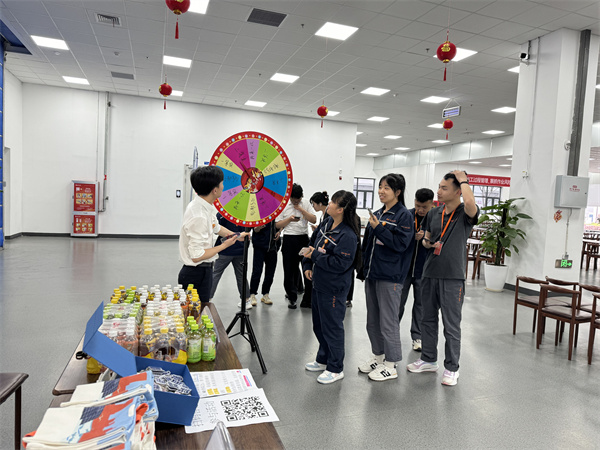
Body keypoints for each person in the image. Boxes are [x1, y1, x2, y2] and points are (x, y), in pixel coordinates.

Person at [407, 171, 479, 387]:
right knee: (427, 319)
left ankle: (452, 368)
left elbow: (470, 202)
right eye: (439, 186)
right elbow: (426, 238)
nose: (438, 191)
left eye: (444, 188)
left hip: (452, 277)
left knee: (451, 325)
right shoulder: (433, 213)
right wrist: (427, 243)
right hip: (429, 272)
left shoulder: (464, 213)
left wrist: (464, 180)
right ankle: (429, 359)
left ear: (457, 191)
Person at [358, 174, 414, 381]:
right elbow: (367, 246)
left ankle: (391, 364)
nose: (381, 191)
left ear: (397, 192)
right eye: (380, 187)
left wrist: (379, 229)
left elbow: (401, 245)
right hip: (373, 273)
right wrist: (362, 269)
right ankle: (379, 357)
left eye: (386, 188)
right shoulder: (378, 213)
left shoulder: (404, 216)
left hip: (391, 276)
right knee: (372, 321)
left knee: (388, 322)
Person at [302, 190, 360, 384]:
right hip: (319, 283)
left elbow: (340, 264)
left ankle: (335, 368)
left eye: (334, 202)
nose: (329, 204)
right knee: (319, 325)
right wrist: (307, 265)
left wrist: (315, 256)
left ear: (341, 209)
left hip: (334, 288)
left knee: (332, 328)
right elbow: (312, 244)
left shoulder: (348, 235)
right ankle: (323, 358)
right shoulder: (327, 223)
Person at [178, 166, 248, 303]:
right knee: (196, 312)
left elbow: (216, 227)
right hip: (196, 273)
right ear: (215, 190)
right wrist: (224, 245)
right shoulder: (199, 216)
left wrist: (237, 236)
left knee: (202, 308)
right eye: (222, 183)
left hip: (204, 270)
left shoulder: (204, 206)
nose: (223, 186)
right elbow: (197, 256)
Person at [399, 188, 435, 351]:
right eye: (417, 206)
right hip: (404, 270)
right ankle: (391, 334)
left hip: (424, 270)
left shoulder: (435, 218)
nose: (420, 210)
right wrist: (410, 236)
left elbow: (440, 239)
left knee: (421, 305)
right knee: (398, 303)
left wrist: (427, 237)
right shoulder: (406, 215)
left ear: (431, 204)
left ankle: (417, 336)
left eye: (424, 207)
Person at [276, 183, 317, 309]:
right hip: (289, 239)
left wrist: (301, 209)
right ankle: (292, 297)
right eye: (294, 200)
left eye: (298, 199)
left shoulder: (305, 203)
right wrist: (289, 219)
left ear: (301, 196)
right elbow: (277, 224)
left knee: (307, 268)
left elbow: (314, 219)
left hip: (303, 238)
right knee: (289, 270)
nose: (296, 202)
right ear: (289, 196)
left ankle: (308, 299)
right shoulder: (283, 204)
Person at [209, 214, 252, 309]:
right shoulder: (247, 214)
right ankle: (246, 300)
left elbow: (217, 230)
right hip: (241, 248)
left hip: (225, 249)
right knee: (241, 275)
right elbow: (249, 230)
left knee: (215, 273)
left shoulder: (223, 213)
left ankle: (207, 298)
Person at [249, 220, 280, 306]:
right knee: (257, 271)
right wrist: (258, 228)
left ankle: (266, 294)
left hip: (273, 247)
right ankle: (252, 294)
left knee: (270, 272)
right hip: (259, 246)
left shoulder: (275, 213)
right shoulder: (258, 214)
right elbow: (254, 229)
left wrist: (280, 231)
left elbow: (280, 224)